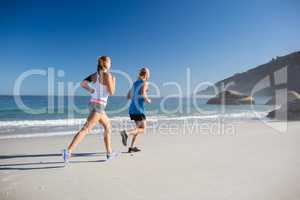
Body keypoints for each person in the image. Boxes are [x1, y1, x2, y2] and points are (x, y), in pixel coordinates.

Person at [63, 56, 117, 163]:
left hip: (92, 104)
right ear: (106, 63)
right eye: (110, 61)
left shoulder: (95, 75)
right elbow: (111, 92)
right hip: (99, 106)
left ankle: (109, 153)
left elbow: (83, 83)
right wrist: (114, 81)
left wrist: (91, 90)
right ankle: (68, 151)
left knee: (107, 126)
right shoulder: (107, 75)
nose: (111, 63)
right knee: (86, 129)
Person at [120, 67, 151, 153]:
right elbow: (143, 94)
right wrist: (147, 100)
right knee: (143, 129)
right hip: (139, 110)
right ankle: (126, 133)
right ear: (146, 74)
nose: (149, 74)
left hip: (132, 109)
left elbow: (128, 96)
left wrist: (137, 96)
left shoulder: (135, 83)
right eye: (149, 73)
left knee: (138, 128)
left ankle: (131, 147)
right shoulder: (144, 83)